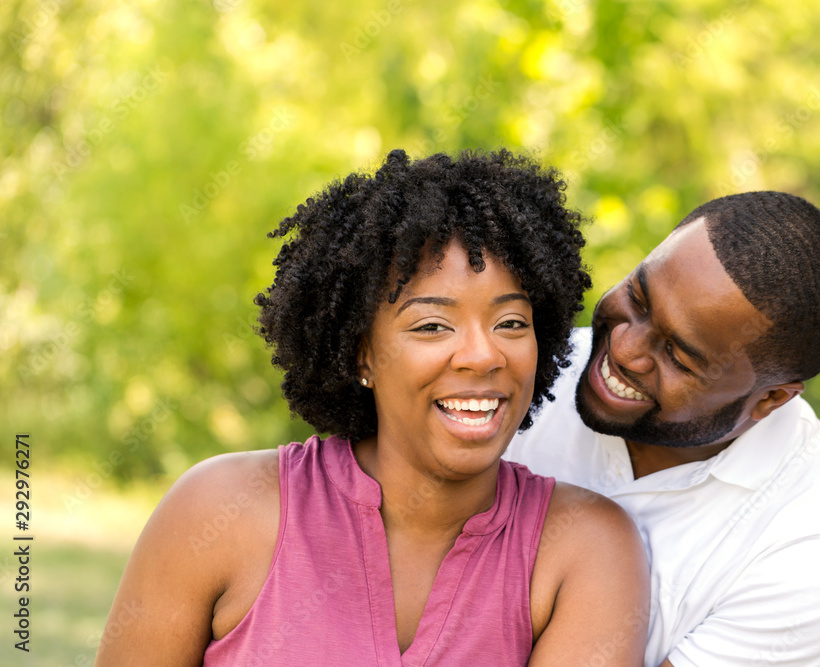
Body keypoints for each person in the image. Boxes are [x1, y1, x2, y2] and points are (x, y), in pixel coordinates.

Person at [96, 149, 649, 666]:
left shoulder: (586, 550)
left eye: (511, 323)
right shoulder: (220, 511)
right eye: (432, 325)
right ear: (362, 352)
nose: (483, 354)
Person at [504, 191, 820, 667]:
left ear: (769, 400)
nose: (624, 350)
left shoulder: (818, 556)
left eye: (678, 355)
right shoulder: (519, 367)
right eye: (638, 297)